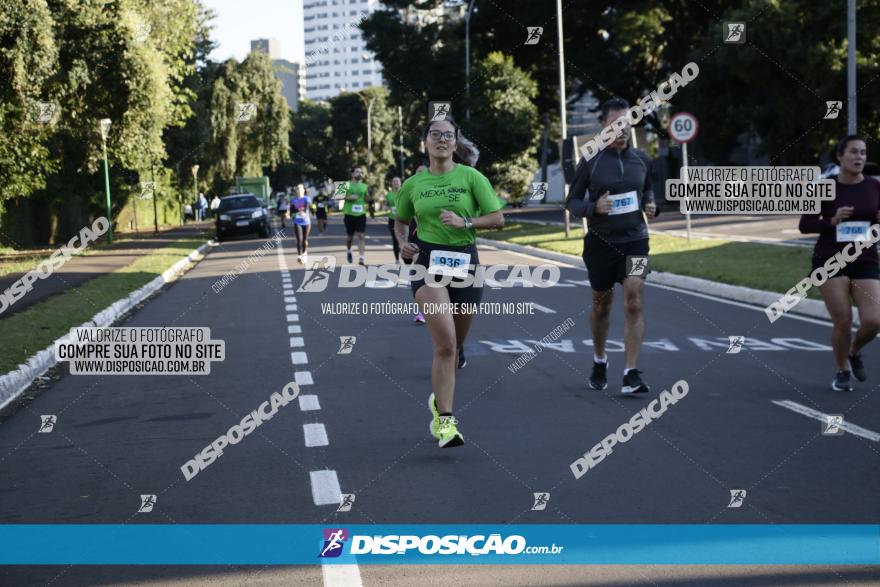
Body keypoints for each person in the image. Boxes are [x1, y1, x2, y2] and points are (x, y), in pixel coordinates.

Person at [394, 116, 504, 448]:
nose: (442, 140)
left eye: (448, 135)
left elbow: (498, 218)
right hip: (427, 264)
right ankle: (446, 422)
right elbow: (399, 222)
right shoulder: (414, 184)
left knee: (455, 350)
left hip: (465, 263)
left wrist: (465, 220)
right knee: (444, 344)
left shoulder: (471, 177)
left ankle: (438, 402)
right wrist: (403, 244)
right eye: (435, 134)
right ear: (424, 142)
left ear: (455, 143)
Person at [565, 97, 659, 395]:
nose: (622, 130)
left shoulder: (642, 159)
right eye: (616, 124)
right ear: (603, 125)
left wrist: (651, 204)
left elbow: (647, 190)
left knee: (635, 298)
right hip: (600, 244)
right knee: (602, 306)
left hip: (637, 241)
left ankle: (631, 372)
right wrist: (594, 208)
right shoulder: (590, 160)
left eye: (626, 124)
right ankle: (599, 359)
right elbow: (572, 202)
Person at [799, 134, 880, 391]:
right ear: (840, 156)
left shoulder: (874, 187)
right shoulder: (824, 187)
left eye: (863, 153)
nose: (859, 157)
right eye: (854, 152)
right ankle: (842, 370)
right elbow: (805, 225)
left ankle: (854, 351)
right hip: (829, 259)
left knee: (874, 320)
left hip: (864, 257)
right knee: (843, 319)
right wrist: (832, 220)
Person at [340, 166, 369, 265]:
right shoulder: (345, 184)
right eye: (357, 172)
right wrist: (348, 198)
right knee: (350, 237)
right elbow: (337, 196)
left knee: (361, 236)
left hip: (361, 214)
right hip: (349, 214)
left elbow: (366, 198)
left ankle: (361, 258)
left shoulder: (365, 186)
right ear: (352, 174)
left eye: (361, 172)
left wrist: (370, 200)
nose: (359, 174)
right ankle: (349, 250)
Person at [291, 184, 312, 262]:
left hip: (306, 222)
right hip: (297, 222)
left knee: (304, 240)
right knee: (299, 239)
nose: (299, 190)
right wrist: (290, 215)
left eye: (300, 188)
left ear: (303, 190)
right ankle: (299, 256)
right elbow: (292, 210)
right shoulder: (293, 199)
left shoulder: (307, 198)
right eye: (297, 189)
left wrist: (304, 213)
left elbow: (307, 207)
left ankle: (304, 253)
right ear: (296, 191)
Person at [386, 177, 403, 262]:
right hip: (392, 219)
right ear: (392, 184)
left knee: (405, 239)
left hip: (404, 220)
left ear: (401, 183)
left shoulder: (404, 193)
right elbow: (387, 204)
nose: (396, 183)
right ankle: (397, 259)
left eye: (397, 181)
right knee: (395, 240)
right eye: (394, 181)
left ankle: (407, 258)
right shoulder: (389, 194)